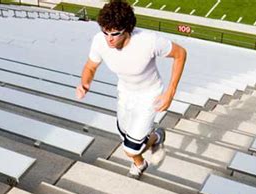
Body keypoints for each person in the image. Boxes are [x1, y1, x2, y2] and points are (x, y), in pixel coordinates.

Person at [76, 0, 186, 179]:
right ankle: (147, 152)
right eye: (105, 32)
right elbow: (90, 67)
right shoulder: (100, 41)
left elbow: (180, 54)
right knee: (124, 134)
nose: (109, 39)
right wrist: (85, 83)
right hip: (125, 93)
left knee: (130, 147)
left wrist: (170, 93)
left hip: (150, 96)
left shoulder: (149, 41)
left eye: (114, 34)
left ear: (127, 30)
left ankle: (146, 151)